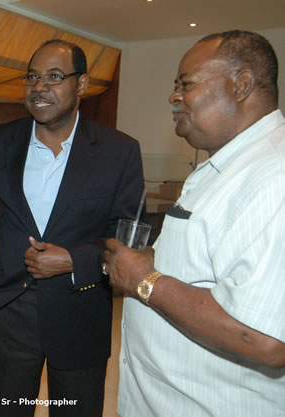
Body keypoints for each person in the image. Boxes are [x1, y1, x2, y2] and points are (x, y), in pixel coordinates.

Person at [103, 30, 285, 417]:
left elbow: (265, 339)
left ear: (242, 84)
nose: (174, 96)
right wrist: (160, 259)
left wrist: (145, 280)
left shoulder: (274, 178)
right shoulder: (225, 165)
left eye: (187, 84)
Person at [0, 39, 146, 417]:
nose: (39, 87)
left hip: (80, 311)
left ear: (81, 85)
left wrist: (75, 260)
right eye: (32, 76)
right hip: (8, 311)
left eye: (55, 76)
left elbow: (131, 237)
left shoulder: (118, 151)